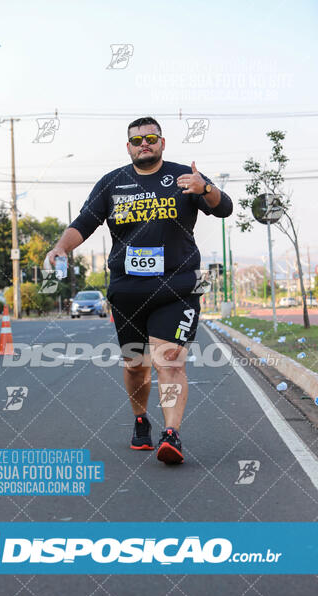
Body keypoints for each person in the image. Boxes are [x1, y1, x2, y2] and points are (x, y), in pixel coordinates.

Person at [46, 116, 233, 465]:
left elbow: (224, 209)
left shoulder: (184, 178)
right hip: (128, 290)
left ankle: (171, 434)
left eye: (150, 138)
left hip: (177, 286)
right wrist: (61, 248)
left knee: (170, 360)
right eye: (137, 140)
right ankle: (140, 418)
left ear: (162, 142)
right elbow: (84, 223)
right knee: (136, 365)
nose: (144, 144)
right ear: (128, 146)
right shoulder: (112, 183)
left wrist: (205, 187)